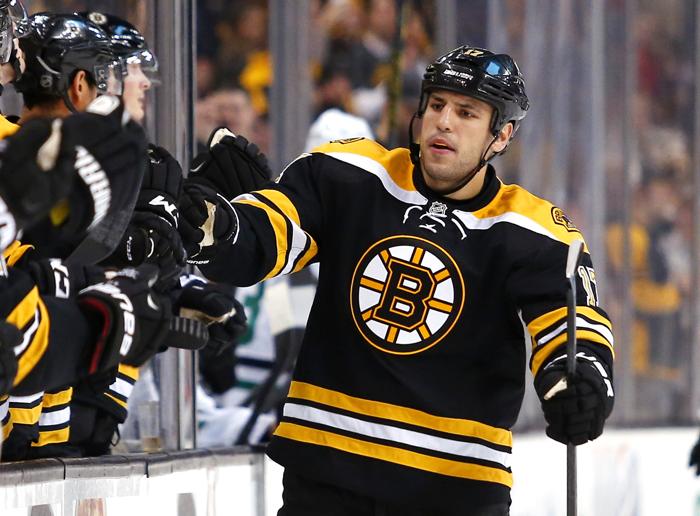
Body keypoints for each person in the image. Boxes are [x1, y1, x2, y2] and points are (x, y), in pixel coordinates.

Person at [179, 45, 615, 515]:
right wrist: (219, 226)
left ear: (502, 135)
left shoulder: (535, 231)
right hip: (327, 478)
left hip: (454, 491)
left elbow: (569, 321)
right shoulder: (350, 175)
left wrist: (579, 376)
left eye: (467, 112)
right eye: (436, 105)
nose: (443, 122)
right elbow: (272, 237)